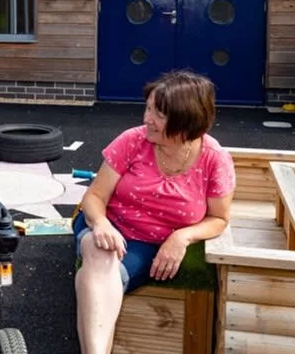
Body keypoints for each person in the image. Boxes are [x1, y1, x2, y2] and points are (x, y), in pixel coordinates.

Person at [73, 71, 235, 354]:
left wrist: (182, 237)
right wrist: (101, 223)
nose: (147, 118)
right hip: (110, 225)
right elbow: (94, 197)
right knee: (99, 254)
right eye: (147, 108)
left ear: (186, 120)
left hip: (150, 243)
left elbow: (219, 218)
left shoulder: (214, 158)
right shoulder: (132, 141)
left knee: (100, 277)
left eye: (158, 113)